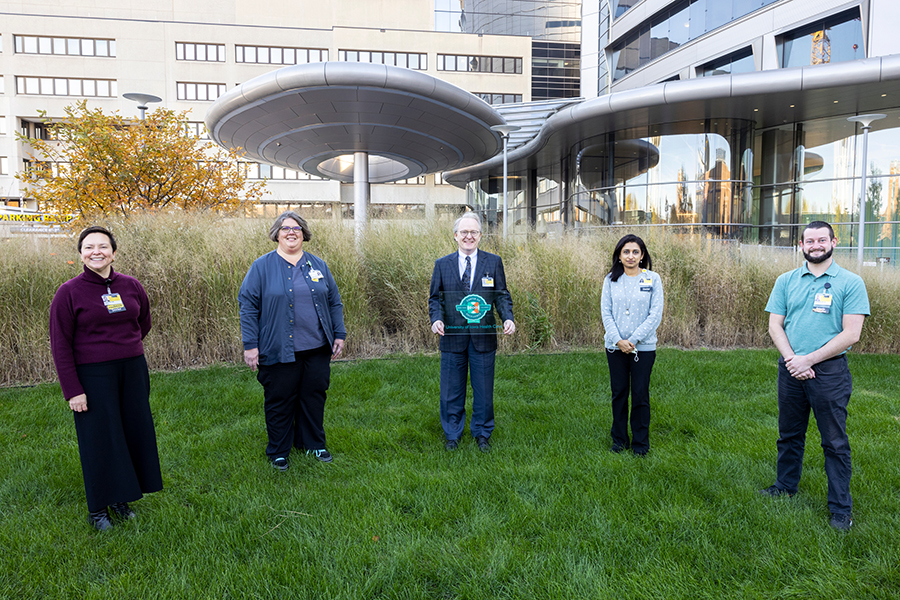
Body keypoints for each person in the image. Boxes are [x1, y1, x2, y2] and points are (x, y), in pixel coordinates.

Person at [49, 226, 162, 531]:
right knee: (99, 440)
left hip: (132, 371)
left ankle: (120, 500)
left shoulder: (131, 285)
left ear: (114, 251)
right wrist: (73, 390)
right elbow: (61, 345)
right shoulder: (68, 292)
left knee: (128, 434)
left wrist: (126, 347)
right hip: (92, 376)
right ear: (81, 253)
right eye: (89, 247)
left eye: (102, 246)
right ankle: (98, 509)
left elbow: (143, 322)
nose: (96, 252)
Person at [760, 221, 869, 531]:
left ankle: (840, 509)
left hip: (830, 372)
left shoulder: (850, 282)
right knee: (789, 435)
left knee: (834, 442)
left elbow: (852, 333)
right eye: (810, 241)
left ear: (834, 242)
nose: (816, 245)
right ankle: (785, 486)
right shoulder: (785, 280)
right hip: (791, 368)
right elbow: (775, 325)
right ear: (801, 245)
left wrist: (809, 359)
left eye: (822, 239)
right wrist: (793, 360)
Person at [238, 211, 345, 470]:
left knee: (314, 396)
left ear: (304, 234)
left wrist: (339, 333)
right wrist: (250, 345)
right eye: (285, 228)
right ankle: (278, 450)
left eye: (296, 228)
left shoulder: (318, 265)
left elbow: (334, 301)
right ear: (276, 234)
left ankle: (312, 444)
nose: (291, 232)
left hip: (317, 347)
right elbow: (248, 306)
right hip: (277, 347)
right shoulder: (261, 266)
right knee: (280, 398)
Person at [428, 212, 515, 452]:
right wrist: (436, 319)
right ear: (455, 236)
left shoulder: (493, 262)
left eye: (473, 232)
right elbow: (435, 298)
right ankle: (452, 434)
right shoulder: (442, 264)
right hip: (452, 337)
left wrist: (508, 318)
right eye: (464, 232)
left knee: (484, 390)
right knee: (451, 390)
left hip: (483, 337)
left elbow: (501, 295)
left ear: (480, 235)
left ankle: (482, 432)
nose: (469, 236)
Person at [600, 234, 664, 456]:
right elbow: (605, 313)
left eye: (635, 252)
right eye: (626, 251)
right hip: (614, 346)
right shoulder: (610, 279)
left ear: (642, 255)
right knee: (619, 393)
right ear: (619, 255)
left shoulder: (653, 278)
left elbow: (655, 314)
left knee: (639, 393)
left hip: (643, 347)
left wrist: (634, 340)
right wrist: (618, 340)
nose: (631, 256)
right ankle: (619, 440)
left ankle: (640, 443)